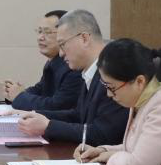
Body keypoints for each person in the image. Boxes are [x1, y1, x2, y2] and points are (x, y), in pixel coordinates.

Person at [17, 9, 128, 145]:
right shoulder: (90, 70)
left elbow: (103, 134)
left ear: (84, 38)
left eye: (63, 44)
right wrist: (34, 114)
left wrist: (48, 126)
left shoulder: (114, 70)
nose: (61, 54)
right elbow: (78, 115)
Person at [3, 9, 84, 112]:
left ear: (64, 34)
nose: (40, 38)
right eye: (40, 31)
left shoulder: (73, 66)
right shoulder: (53, 62)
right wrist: (14, 93)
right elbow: (40, 89)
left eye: (47, 32)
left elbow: (57, 106)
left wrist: (20, 97)